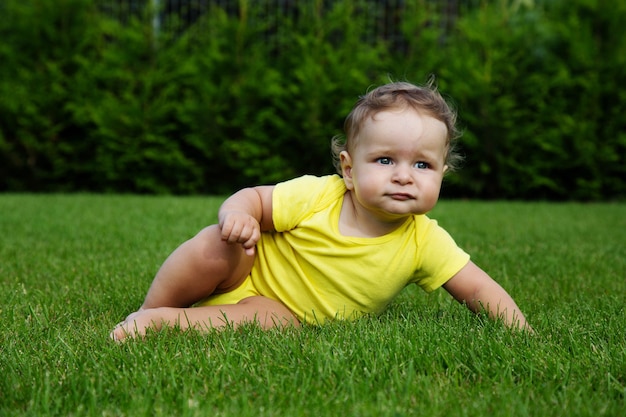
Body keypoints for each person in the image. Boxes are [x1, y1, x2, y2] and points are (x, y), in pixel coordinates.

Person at [111, 81, 532, 341]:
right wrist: (237, 213)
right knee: (213, 245)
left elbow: (479, 289)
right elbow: (253, 199)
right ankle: (151, 307)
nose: (404, 176)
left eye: (422, 165)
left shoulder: (425, 241)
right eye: (385, 160)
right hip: (246, 266)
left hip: (286, 311)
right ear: (349, 169)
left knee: (267, 326)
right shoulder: (320, 195)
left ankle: (163, 324)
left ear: (442, 172)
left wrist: (522, 333)